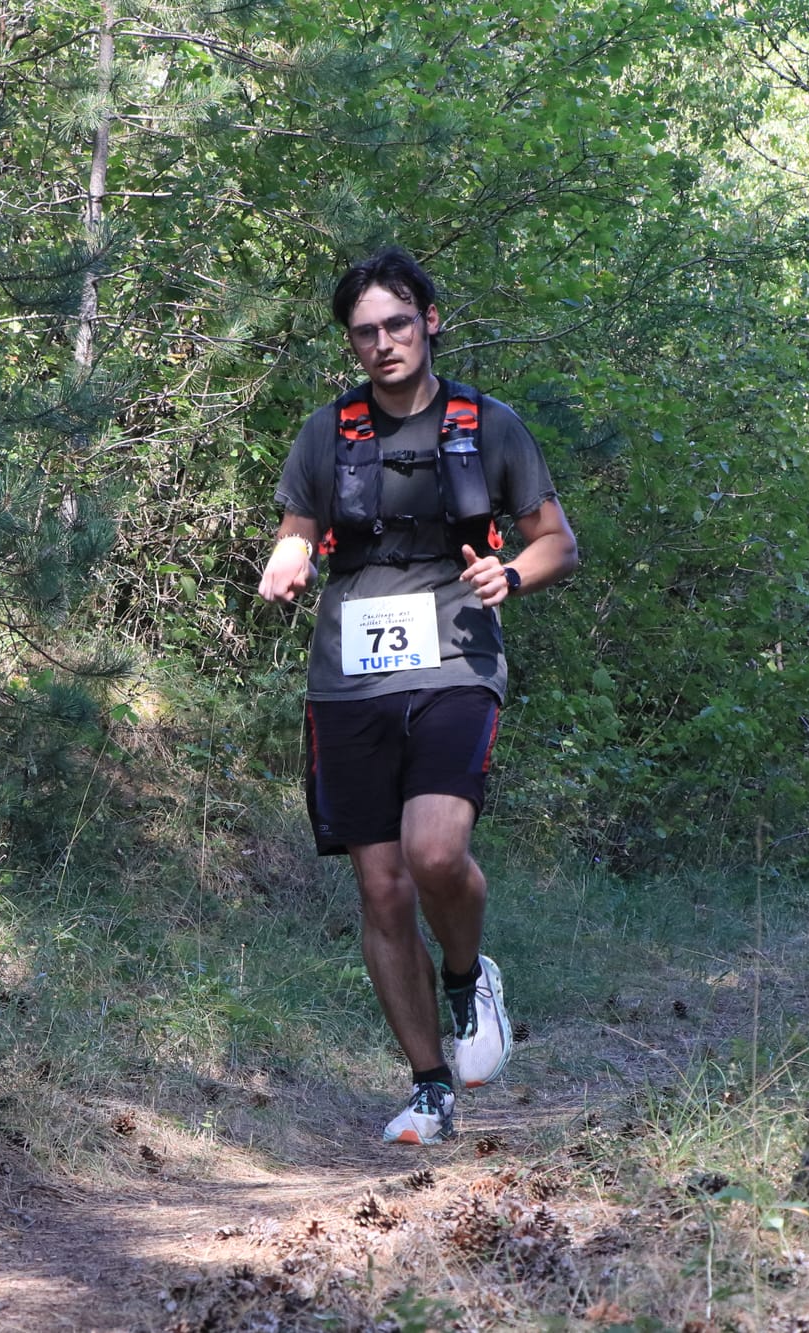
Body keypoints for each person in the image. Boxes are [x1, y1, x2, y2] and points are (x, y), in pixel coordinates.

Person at [257, 247, 578, 1145]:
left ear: (430, 322)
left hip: (456, 660)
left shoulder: (489, 424)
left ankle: (469, 977)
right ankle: (430, 1084)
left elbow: (557, 541)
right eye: (365, 332)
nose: (384, 343)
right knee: (382, 886)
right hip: (348, 676)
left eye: (398, 323)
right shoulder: (327, 432)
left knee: (435, 852)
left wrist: (512, 575)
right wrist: (287, 561)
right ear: (351, 343)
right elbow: (297, 530)